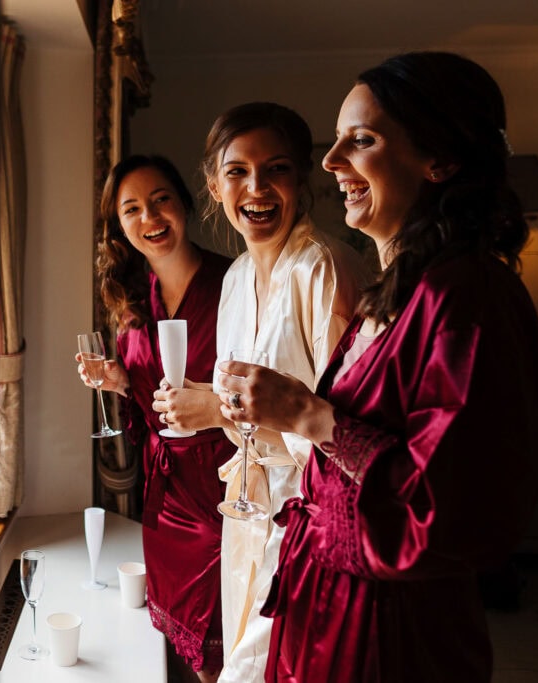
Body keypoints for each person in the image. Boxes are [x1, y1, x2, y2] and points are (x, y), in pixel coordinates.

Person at [215, 52, 538, 682]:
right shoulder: (397, 290)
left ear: (439, 159)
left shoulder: (466, 298)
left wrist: (307, 413)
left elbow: (450, 510)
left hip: (388, 635)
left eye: (360, 140)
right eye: (337, 141)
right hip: (327, 607)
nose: (331, 161)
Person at [152, 102, 368, 682]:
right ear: (213, 184)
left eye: (275, 169)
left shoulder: (322, 270)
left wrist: (217, 412)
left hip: (307, 522)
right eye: (237, 171)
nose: (257, 187)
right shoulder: (237, 278)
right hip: (246, 514)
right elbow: (247, 396)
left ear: (302, 179)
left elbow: (348, 430)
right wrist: (202, 402)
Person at [77, 155, 235, 682]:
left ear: (185, 203)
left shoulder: (233, 286)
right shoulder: (129, 306)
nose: (150, 217)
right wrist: (119, 382)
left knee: (234, 647)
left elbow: (266, 385)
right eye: (132, 209)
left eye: (161, 199)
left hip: (227, 491)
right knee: (183, 653)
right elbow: (146, 404)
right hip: (164, 497)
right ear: (119, 227)